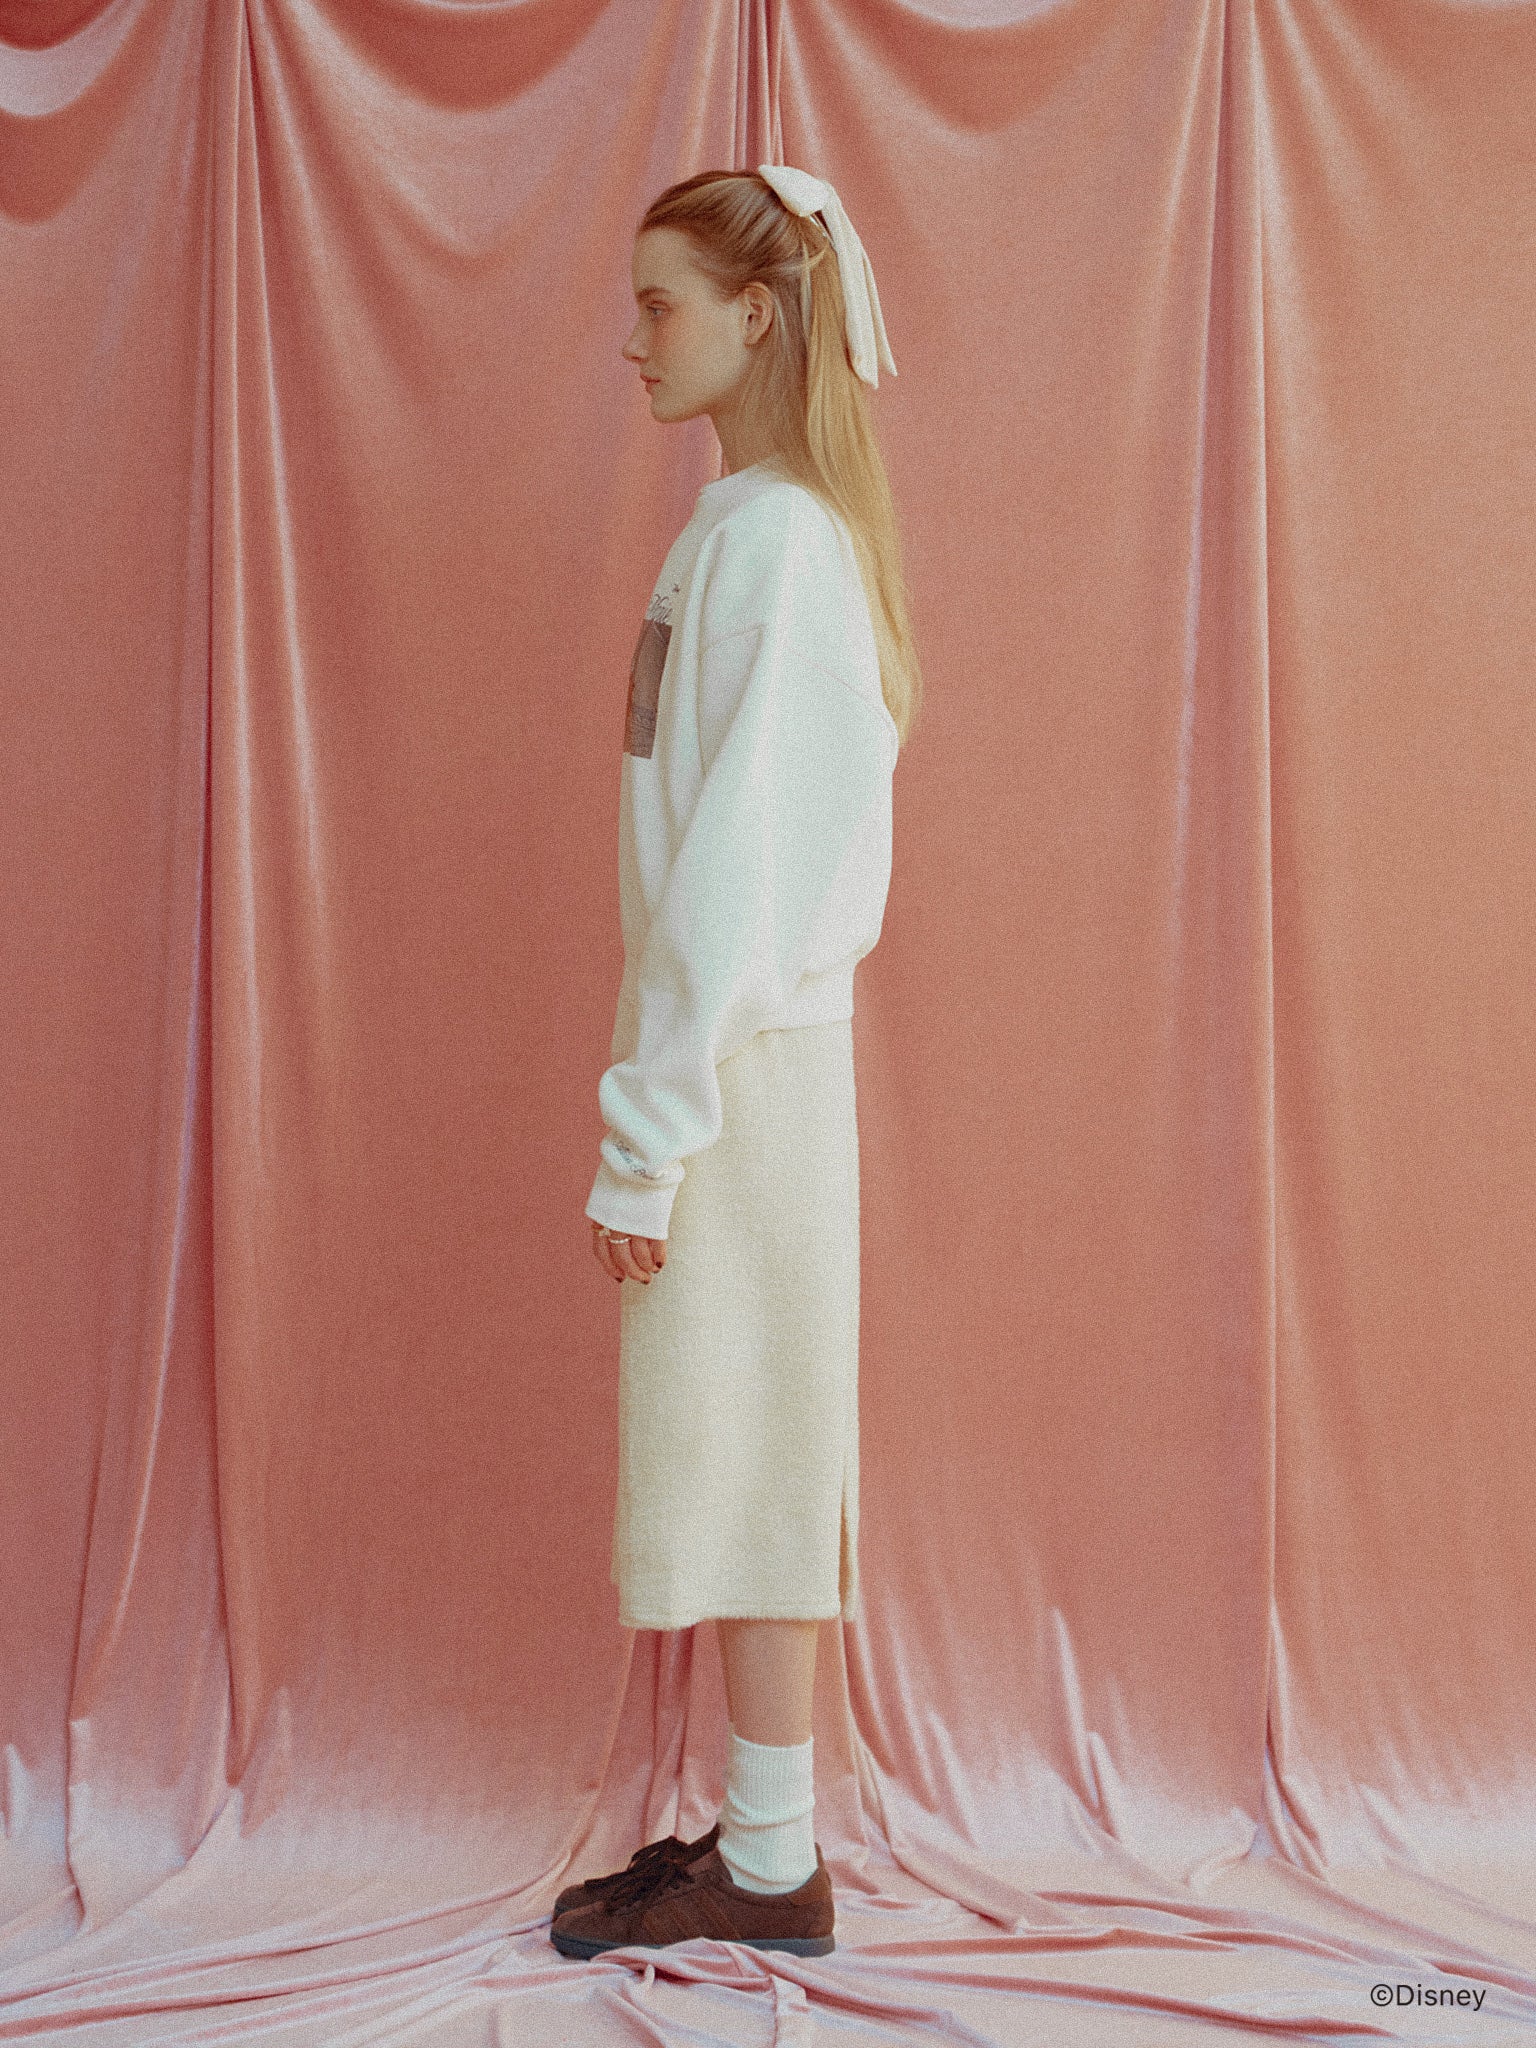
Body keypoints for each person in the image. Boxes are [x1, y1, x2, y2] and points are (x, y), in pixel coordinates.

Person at [552, 163, 921, 1962]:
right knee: (743, 1446)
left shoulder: (780, 546)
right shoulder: (746, 530)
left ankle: (774, 1862)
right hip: (729, 1061)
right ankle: (766, 1850)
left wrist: (649, 1134)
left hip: (740, 1072)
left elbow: (738, 880)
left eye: (660, 304)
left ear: (755, 314)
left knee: (763, 1448)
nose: (634, 341)